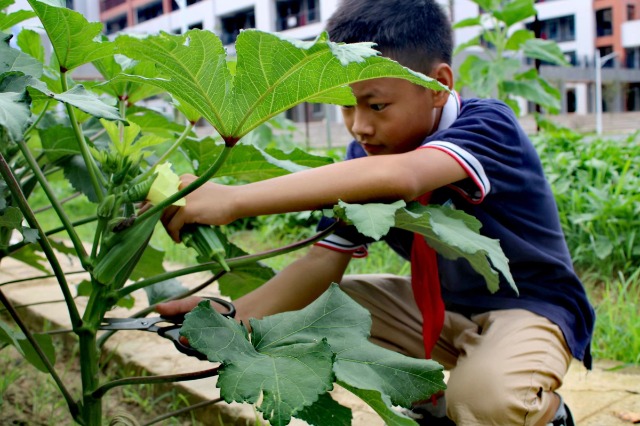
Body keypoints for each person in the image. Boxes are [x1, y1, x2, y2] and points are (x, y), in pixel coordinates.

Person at [157, 0, 595, 424]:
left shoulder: (487, 126)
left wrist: (234, 199)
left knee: (487, 400)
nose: (359, 126)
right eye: (346, 105)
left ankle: (546, 416)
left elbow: (406, 177)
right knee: (323, 311)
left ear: (438, 85)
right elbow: (321, 260)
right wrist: (232, 321)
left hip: (531, 309)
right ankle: (431, 404)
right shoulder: (365, 159)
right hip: (442, 309)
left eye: (376, 105)